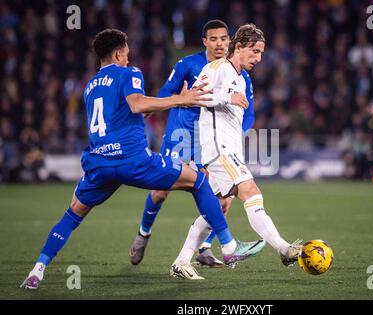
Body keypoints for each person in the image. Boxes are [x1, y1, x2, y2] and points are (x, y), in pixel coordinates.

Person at [20, 28, 266, 289]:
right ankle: (228, 246)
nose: (128, 59)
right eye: (126, 54)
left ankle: (37, 270)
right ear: (118, 54)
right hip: (133, 160)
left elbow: (128, 113)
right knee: (200, 182)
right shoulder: (130, 73)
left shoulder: (90, 86)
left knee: (72, 216)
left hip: (99, 163)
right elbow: (137, 104)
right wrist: (178, 99)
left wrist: (169, 104)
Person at [170, 24, 302, 279]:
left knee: (216, 208)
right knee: (251, 191)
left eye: (261, 53)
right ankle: (284, 249)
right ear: (238, 47)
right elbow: (194, 96)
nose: (258, 58)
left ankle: (182, 261)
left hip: (226, 149)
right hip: (219, 149)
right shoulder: (217, 68)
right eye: (254, 51)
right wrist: (226, 98)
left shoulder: (240, 78)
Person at [129, 19, 256, 268]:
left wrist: (236, 134)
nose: (219, 44)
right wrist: (155, 108)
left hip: (212, 141)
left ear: (230, 41)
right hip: (181, 135)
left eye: (223, 38)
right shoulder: (187, 64)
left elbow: (248, 111)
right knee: (160, 191)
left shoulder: (240, 73)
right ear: (205, 42)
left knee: (224, 198)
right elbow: (166, 93)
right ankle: (144, 233)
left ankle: (205, 248)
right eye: (214, 39)